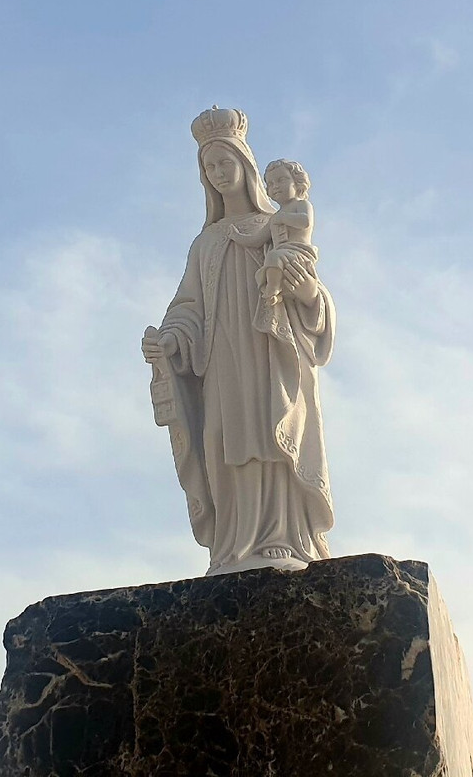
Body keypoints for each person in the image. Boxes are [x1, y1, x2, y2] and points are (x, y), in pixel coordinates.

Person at [142, 107, 336, 576]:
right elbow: (188, 308)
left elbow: (314, 298)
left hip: (271, 351)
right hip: (223, 358)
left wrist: (305, 290)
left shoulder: (281, 226)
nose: (218, 173)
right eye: (209, 168)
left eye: (225, 163)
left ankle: (281, 535)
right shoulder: (205, 244)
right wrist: (168, 340)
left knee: (270, 430)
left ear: (245, 166)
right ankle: (233, 543)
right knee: (224, 438)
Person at [256, 159, 316, 306]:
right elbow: (258, 239)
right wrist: (236, 236)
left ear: (297, 182)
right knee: (273, 258)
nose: (275, 186)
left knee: (274, 256)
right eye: (270, 184)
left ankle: (273, 289)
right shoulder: (274, 218)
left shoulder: (301, 204)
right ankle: (273, 290)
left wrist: (283, 218)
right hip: (281, 255)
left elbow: (305, 221)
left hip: (299, 253)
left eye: (281, 180)